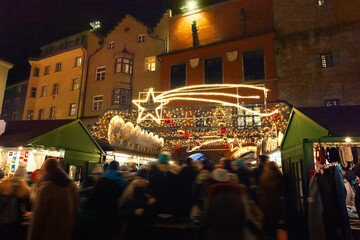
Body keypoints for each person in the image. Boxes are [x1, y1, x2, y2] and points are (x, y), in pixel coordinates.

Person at [28, 158, 78, 240]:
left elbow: (37, 218)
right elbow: (75, 211)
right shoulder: (72, 186)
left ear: (46, 170)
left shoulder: (46, 188)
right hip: (66, 232)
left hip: (48, 234)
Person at [201, 169, 252, 240]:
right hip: (235, 229)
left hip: (217, 230)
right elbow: (244, 210)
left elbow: (207, 212)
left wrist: (205, 224)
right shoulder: (237, 190)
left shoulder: (211, 192)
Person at [91, 160, 127, 240]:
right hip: (114, 213)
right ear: (118, 168)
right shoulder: (122, 182)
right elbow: (124, 199)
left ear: (109, 168)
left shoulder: (101, 180)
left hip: (100, 212)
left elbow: (94, 196)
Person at [119, 171, 156, 240]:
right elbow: (120, 211)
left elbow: (153, 212)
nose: (138, 181)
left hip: (145, 227)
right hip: (131, 227)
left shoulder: (149, 191)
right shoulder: (129, 193)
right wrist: (134, 212)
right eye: (137, 178)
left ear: (145, 180)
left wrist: (152, 203)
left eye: (141, 179)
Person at [0, 164, 30, 240]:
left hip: (3, 220)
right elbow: (27, 207)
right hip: (15, 221)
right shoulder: (24, 189)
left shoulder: (4, 185)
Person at [258, 161, 284, 240]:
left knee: (267, 225)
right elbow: (282, 190)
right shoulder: (279, 176)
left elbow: (261, 191)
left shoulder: (263, 176)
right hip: (276, 205)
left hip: (265, 205)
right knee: (274, 226)